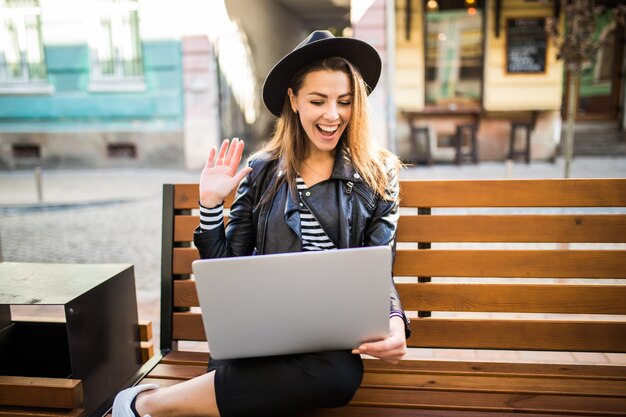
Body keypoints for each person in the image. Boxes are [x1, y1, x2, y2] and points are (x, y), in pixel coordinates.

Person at [113, 29, 410, 417]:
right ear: (293, 99)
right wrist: (210, 204)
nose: (332, 115)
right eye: (318, 100)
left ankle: (145, 404)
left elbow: (378, 267)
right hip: (259, 336)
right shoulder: (261, 171)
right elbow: (226, 268)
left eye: (345, 101)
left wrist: (394, 320)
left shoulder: (378, 173)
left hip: (329, 342)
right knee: (279, 375)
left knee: (339, 375)